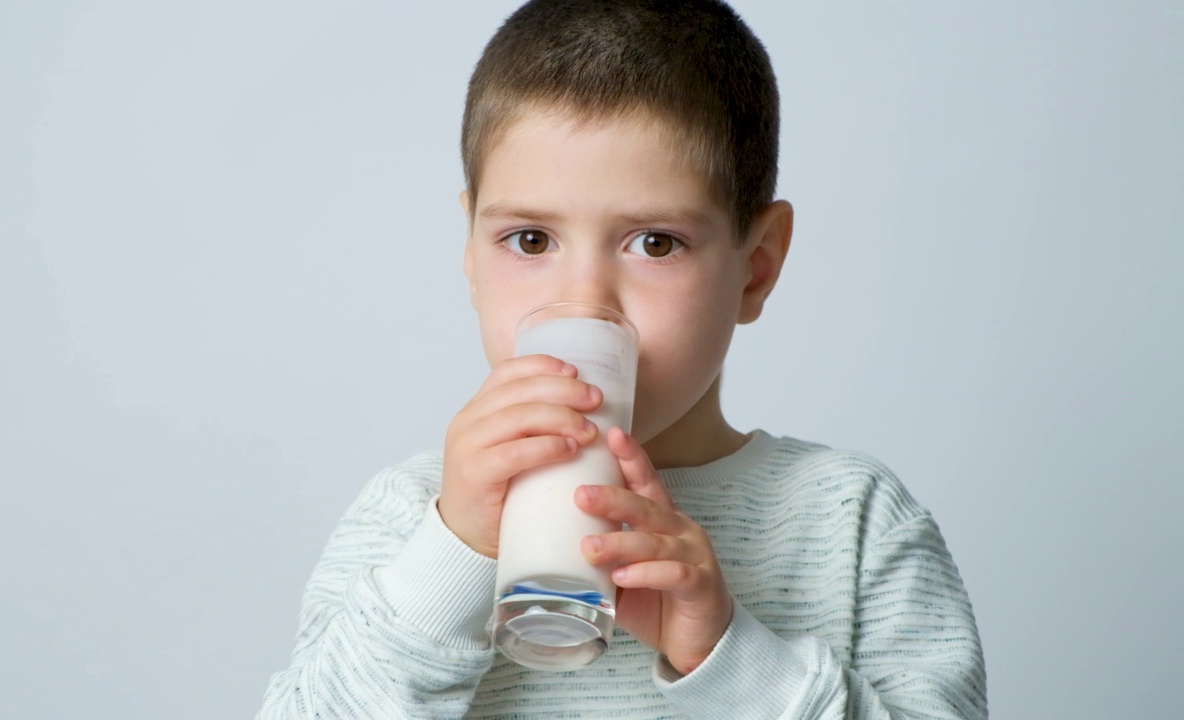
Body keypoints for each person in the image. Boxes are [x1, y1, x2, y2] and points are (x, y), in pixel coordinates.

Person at [257, 1, 987, 717]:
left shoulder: (849, 522)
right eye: (532, 241)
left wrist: (729, 662)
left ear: (756, 268)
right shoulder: (415, 517)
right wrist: (455, 558)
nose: (585, 303)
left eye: (656, 243)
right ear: (471, 255)